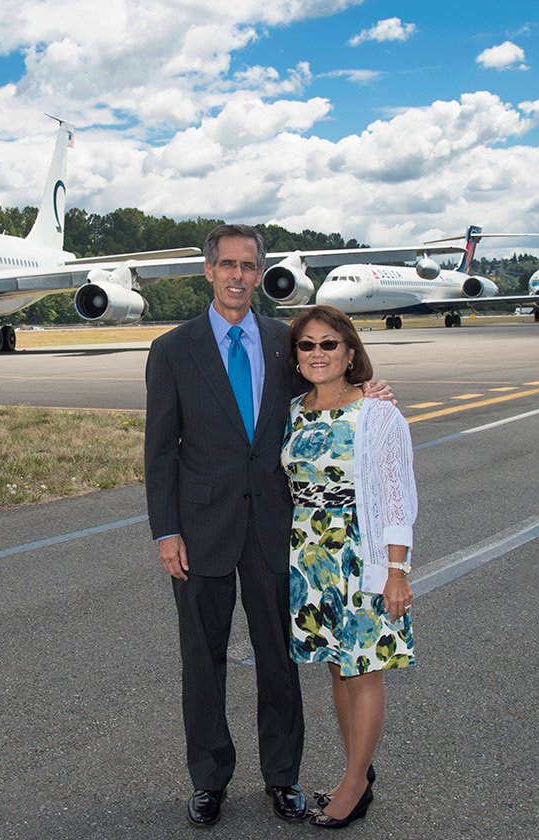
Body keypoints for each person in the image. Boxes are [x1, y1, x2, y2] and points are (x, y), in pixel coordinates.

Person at [145, 225, 396, 827]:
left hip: (277, 530)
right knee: (201, 660)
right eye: (226, 265)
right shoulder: (172, 350)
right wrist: (166, 531)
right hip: (200, 530)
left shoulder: (287, 342)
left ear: (261, 274)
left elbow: (326, 383)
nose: (237, 276)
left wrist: (368, 391)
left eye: (248, 266)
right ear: (208, 271)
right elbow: (159, 451)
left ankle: (282, 777)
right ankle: (209, 780)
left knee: (278, 659)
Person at [281, 304, 416, 829]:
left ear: (351, 352)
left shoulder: (376, 412)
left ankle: (357, 784)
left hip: (361, 554)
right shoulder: (294, 411)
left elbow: (397, 494)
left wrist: (396, 570)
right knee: (339, 666)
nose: (318, 353)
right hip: (311, 554)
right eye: (307, 344)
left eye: (329, 344)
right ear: (296, 356)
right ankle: (352, 771)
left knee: (364, 670)